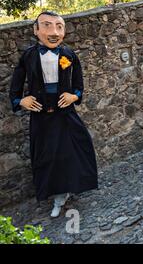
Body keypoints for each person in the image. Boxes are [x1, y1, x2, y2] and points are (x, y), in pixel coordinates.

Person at [9, 11, 98, 217]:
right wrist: (21, 100)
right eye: (47, 26)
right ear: (36, 30)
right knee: (47, 156)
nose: (54, 32)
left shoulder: (69, 55)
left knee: (73, 151)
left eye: (59, 27)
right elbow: (15, 85)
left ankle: (68, 189)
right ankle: (57, 194)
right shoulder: (28, 56)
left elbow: (79, 85)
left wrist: (73, 96)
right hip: (40, 116)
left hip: (65, 114)